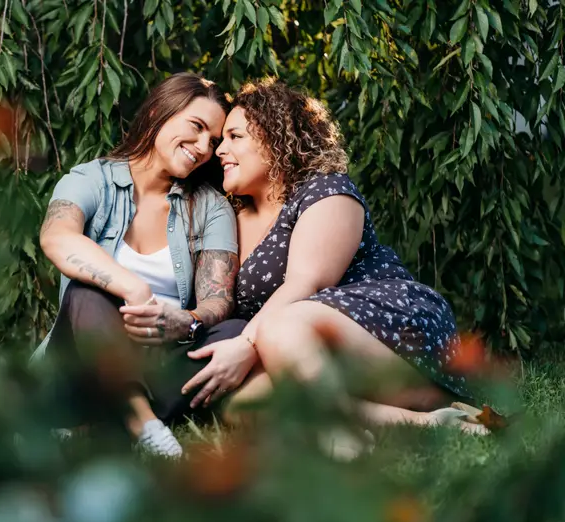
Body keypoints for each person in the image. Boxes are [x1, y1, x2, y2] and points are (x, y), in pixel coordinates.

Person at [177, 79, 486, 452]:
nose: (220, 150)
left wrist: (245, 343)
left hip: (386, 336)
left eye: (234, 136)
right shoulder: (230, 217)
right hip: (298, 356)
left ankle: (346, 438)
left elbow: (303, 284)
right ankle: (425, 424)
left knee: (281, 323)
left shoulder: (326, 191)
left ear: (276, 137)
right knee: (243, 402)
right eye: (218, 142)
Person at [34, 73, 240, 457]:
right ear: (161, 112)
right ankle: (147, 428)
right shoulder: (92, 179)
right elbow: (57, 237)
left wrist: (187, 321)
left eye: (212, 141)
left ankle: (100, 428)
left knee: (234, 331)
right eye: (195, 127)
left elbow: (219, 299)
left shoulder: (211, 207)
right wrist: (134, 288)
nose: (202, 148)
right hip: (85, 362)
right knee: (86, 292)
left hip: (160, 362)